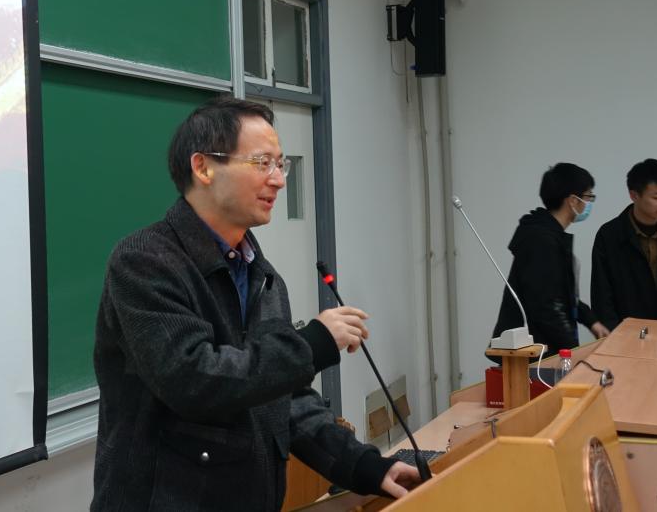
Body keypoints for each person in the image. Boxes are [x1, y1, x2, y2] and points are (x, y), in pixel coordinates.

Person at [91, 97, 420, 512]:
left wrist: (365, 466)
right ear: (203, 167)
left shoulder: (263, 277)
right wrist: (311, 344)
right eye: (262, 163)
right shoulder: (144, 262)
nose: (278, 180)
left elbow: (286, 398)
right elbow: (192, 379)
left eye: (281, 165)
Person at [491, 163, 610, 357]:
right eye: (589, 196)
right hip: (534, 353)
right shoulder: (541, 240)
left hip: (545, 346)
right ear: (573, 200)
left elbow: (563, 294)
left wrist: (592, 321)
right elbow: (546, 306)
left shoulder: (551, 235)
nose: (590, 202)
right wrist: (573, 351)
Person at [591, 159, 657, 330]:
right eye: (656, 197)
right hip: (628, 333)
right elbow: (602, 294)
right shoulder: (609, 236)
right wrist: (614, 333)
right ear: (634, 195)